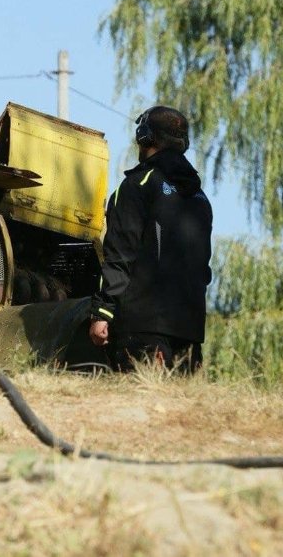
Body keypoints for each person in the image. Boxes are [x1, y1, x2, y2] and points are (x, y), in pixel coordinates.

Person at [88, 106, 212, 372]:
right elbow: (203, 269)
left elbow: (120, 255)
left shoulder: (137, 186)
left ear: (145, 137)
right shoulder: (200, 199)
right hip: (189, 332)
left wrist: (102, 313)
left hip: (141, 331)